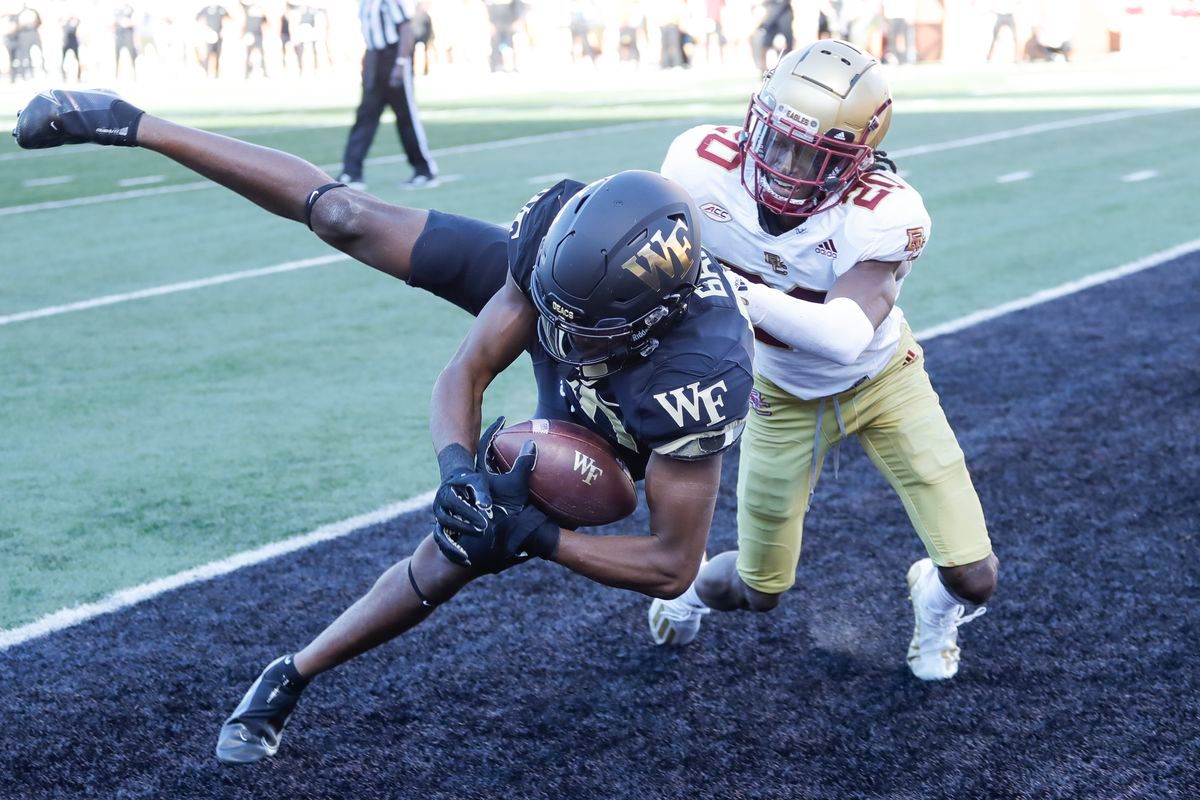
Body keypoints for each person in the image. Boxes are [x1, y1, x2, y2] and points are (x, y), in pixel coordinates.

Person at [12, 88, 754, 764]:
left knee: (462, 550)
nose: (555, 332)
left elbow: (670, 565)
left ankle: (292, 672)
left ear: (651, 319)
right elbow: (465, 373)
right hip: (585, 308)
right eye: (550, 307)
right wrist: (457, 468)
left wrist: (539, 538)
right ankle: (133, 121)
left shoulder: (699, 371)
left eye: (577, 325)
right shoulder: (557, 261)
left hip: (616, 414)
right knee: (345, 215)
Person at [647, 40, 999, 681]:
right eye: (775, 140)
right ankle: (693, 591)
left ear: (857, 158)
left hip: (884, 380)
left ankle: (933, 602)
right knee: (761, 589)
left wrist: (733, 291)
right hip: (779, 396)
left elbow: (840, 335)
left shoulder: (885, 211)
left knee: (974, 576)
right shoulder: (699, 165)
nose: (782, 165)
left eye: (812, 154)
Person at [339, 0, 437, 191]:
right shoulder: (363, 3)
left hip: (393, 57)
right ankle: (352, 171)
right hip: (374, 57)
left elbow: (406, 29)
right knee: (365, 116)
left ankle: (424, 170)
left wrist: (400, 62)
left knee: (406, 117)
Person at [196, 3, 229, 79]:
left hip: (219, 36)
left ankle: (217, 74)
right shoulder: (206, 8)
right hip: (209, 36)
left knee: (217, 55)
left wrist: (224, 29)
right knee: (207, 54)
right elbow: (199, 19)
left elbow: (227, 19)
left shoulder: (221, 9)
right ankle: (206, 73)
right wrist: (205, 30)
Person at [241, 1, 268, 78]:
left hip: (258, 34)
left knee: (262, 53)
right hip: (249, 34)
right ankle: (247, 72)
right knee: (248, 53)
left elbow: (265, 21)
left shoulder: (261, 9)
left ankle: (265, 72)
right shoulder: (247, 7)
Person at [114, 4, 138, 79]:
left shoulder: (129, 8)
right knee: (117, 56)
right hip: (119, 35)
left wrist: (128, 23)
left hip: (128, 35)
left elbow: (135, 20)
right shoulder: (116, 9)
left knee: (132, 55)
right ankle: (116, 75)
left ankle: (134, 75)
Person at [60, 13, 80, 81]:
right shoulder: (65, 26)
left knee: (77, 60)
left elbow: (78, 22)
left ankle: (78, 77)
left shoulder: (72, 26)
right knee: (63, 60)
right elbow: (59, 21)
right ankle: (63, 76)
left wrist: (74, 18)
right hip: (66, 44)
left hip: (73, 44)